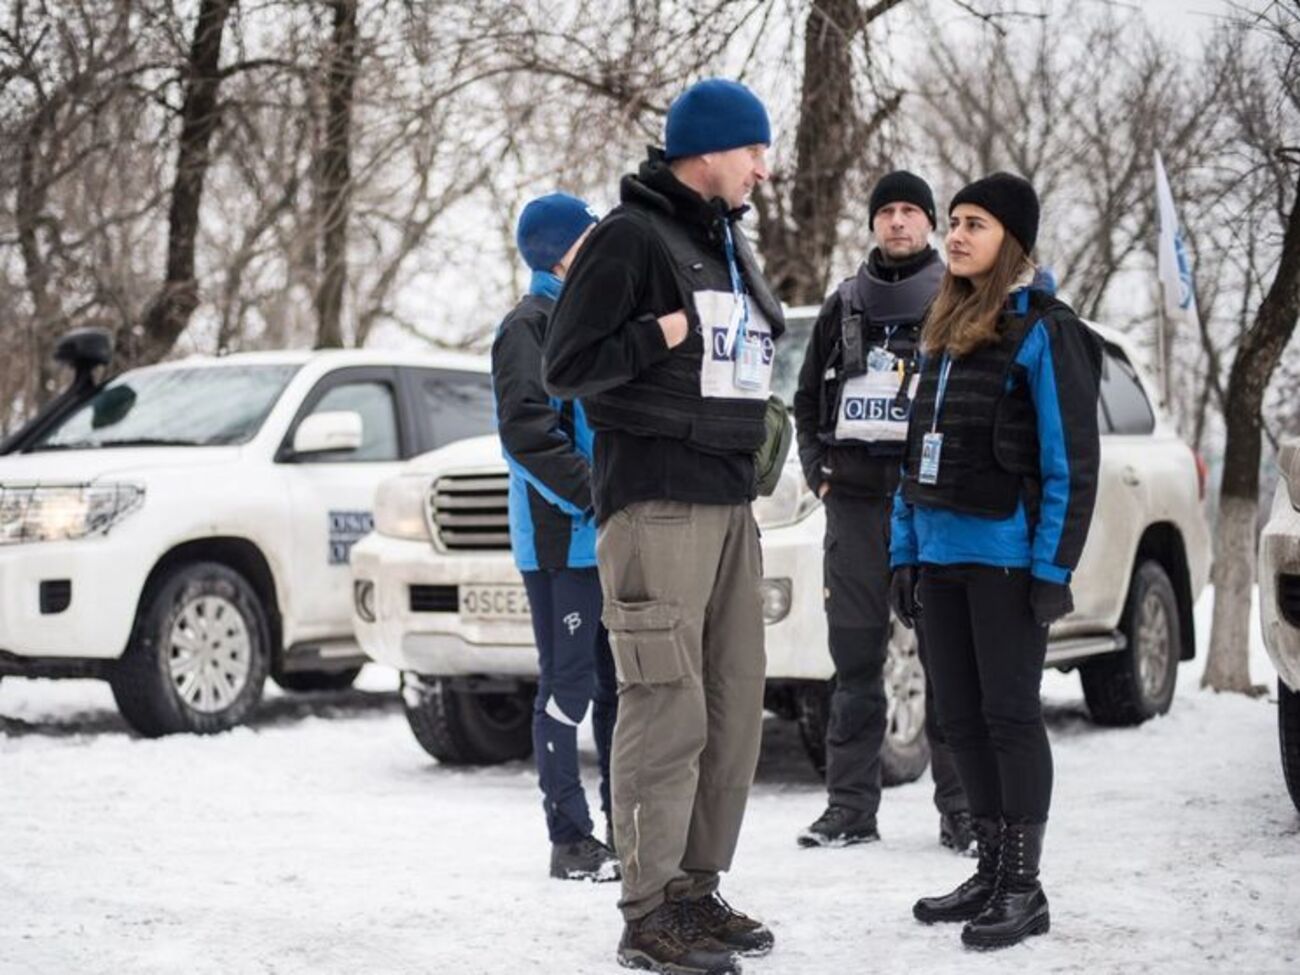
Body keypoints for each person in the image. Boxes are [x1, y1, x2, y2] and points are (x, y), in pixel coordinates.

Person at [544, 79, 783, 975]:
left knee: (731, 704)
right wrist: (659, 334)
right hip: (657, 503)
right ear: (708, 150)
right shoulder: (631, 237)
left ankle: (693, 887)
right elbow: (567, 364)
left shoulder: (724, 243)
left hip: (729, 503)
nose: (764, 168)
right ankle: (647, 910)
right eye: (754, 150)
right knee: (664, 703)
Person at [889, 172, 1102, 949]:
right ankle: (987, 867)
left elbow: (1070, 464)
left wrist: (1052, 570)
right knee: (958, 719)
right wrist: (903, 551)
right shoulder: (939, 327)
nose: (955, 234)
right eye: (953, 221)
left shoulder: (1044, 330)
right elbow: (914, 450)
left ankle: (1022, 884)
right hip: (939, 558)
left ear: (1011, 239)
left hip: (1007, 561)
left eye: (974, 223)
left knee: (1010, 717)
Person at [792, 170, 970, 852]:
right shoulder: (843, 304)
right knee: (856, 661)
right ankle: (849, 808)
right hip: (855, 506)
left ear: (929, 223)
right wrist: (819, 474)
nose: (897, 221)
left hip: (929, 509)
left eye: (910, 211)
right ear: (873, 223)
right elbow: (805, 402)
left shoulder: (958, 300)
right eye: (886, 210)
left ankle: (961, 811)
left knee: (947, 662)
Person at [491, 192, 618, 882]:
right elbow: (527, 435)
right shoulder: (528, 326)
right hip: (559, 539)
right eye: (589, 236)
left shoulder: (588, 319)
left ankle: (624, 824)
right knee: (568, 685)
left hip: (607, 539)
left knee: (617, 685)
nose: (599, 245)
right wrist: (598, 494)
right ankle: (570, 838)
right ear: (561, 249)